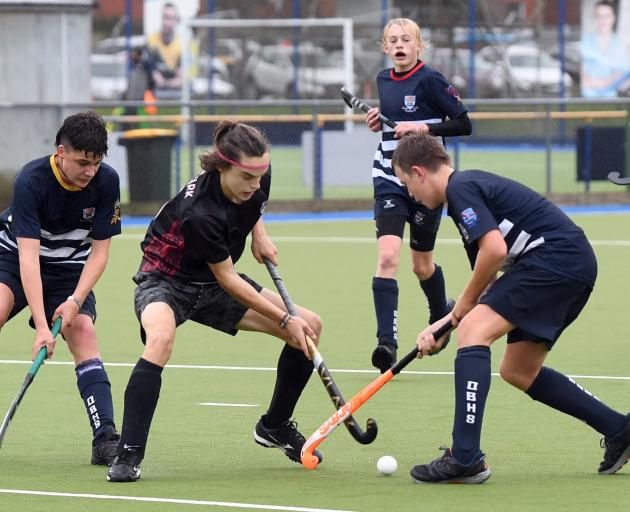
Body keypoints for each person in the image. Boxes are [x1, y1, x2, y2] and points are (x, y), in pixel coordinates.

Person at [391, 132, 630, 484]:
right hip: (569, 264)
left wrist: (460, 317)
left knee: (475, 332)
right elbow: (487, 282)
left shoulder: (460, 189)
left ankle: (465, 456)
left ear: (419, 172)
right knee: (518, 369)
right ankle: (620, 429)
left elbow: (495, 253)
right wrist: (445, 324)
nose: (410, 194)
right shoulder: (466, 196)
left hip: (553, 260)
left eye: (407, 184)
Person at [107, 121, 323, 483]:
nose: (256, 185)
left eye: (260, 176)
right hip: (166, 280)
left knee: (311, 325)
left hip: (212, 279)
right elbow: (229, 279)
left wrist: (260, 235)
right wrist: (286, 319)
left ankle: (274, 425)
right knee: (160, 339)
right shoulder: (200, 213)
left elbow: (251, 207)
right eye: (247, 178)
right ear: (222, 167)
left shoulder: (255, 176)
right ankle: (128, 453)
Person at [0, 111, 122, 465]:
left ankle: (105, 438)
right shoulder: (31, 180)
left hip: (69, 268)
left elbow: (99, 253)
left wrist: (74, 300)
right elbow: (27, 258)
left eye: (97, 163)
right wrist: (41, 326)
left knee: (82, 328)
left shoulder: (106, 182)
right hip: (13, 256)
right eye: (83, 162)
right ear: (60, 152)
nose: (90, 171)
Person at [364, 18, 471, 373]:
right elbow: (395, 120)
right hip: (389, 176)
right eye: (393, 40)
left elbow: (463, 123)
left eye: (406, 40)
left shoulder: (431, 80)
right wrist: (382, 121)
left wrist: (423, 127)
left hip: (426, 182)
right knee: (387, 258)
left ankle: (441, 312)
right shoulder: (382, 79)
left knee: (421, 264)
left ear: (419, 46)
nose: (399, 45)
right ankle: (386, 343)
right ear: (385, 47)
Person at [580, 1, 630, 98]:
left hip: (615, 103)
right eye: (599, 16)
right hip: (589, 102)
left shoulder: (621, 46)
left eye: (606, 16)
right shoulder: (586, 44)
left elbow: (624, 83)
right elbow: (585, 82)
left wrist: (600, 83)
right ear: (594, 19)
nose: (602, 21)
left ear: (613, 18)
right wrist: (611, 81)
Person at [147, 2, 182, 94]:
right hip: (154, 86)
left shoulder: (181, 45)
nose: (166, 22)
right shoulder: (152, 40)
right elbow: (151, 70)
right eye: (164, 17)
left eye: (170, 18)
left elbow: (181, 78)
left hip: (174, 87)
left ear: (176, 21)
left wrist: (166, 83)